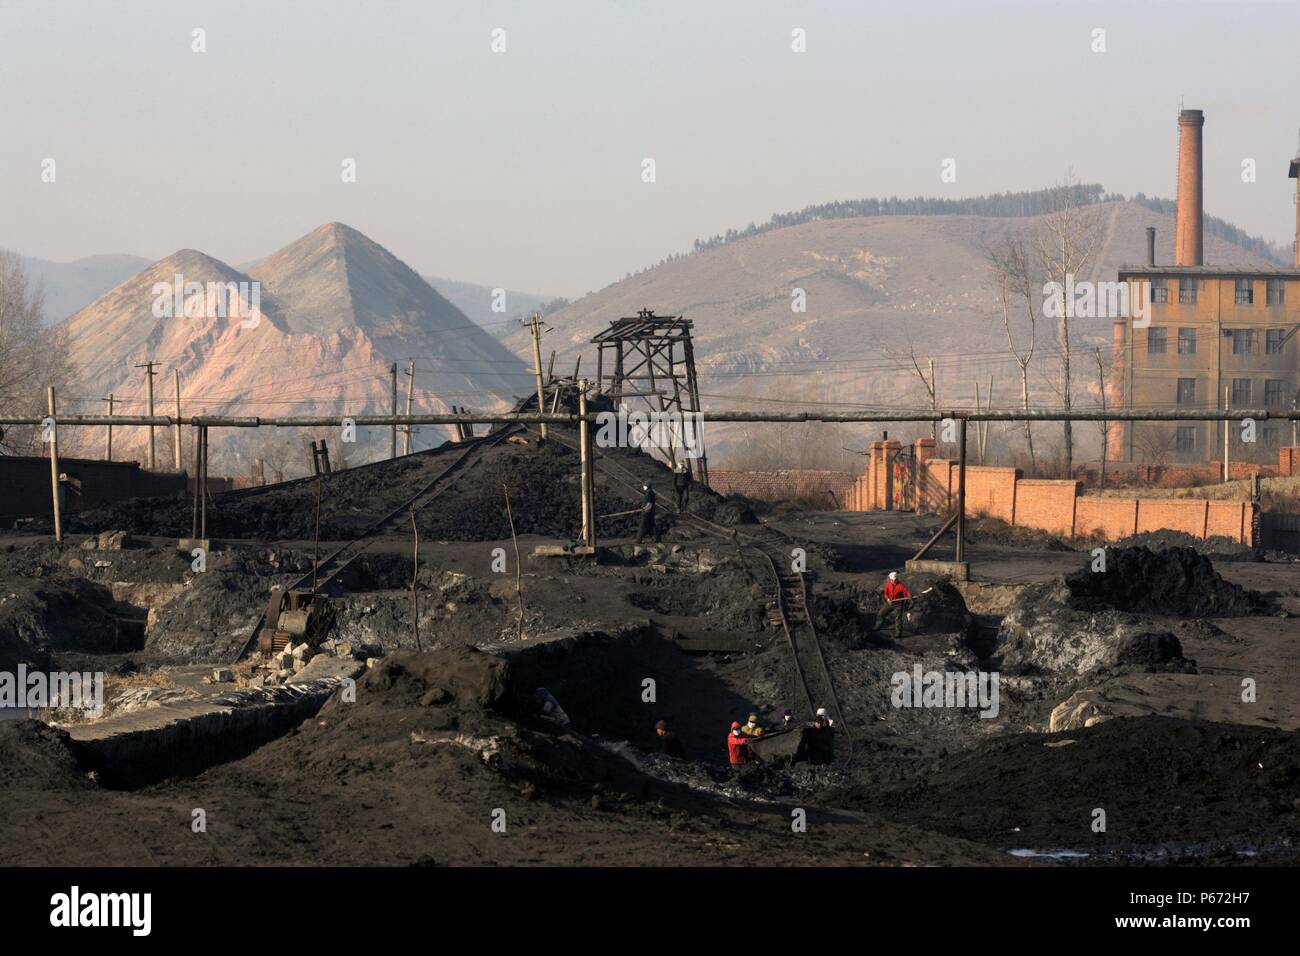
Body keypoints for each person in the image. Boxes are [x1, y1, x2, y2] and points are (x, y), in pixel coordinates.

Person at [873, 571, 913, 638]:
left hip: (898, 604)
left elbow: (906, 592)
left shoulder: (901, 585)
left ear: (897, 579)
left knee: (898, 619)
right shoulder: (888, 585)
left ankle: (898, 634)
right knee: (881, 614)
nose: (893, 581)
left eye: (894, 580)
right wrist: (888, 599)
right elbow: (886, 593)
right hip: (890, 603)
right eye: (892, 580)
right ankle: (877, 626)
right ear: (890, 579)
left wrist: (909, 596)